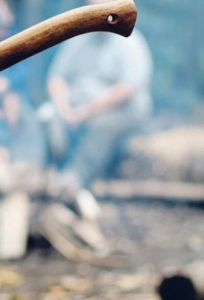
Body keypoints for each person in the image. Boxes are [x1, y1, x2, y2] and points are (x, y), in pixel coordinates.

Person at [44, 0, 153, 202]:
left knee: (101, 126)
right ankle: (41, 175)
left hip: (121, 111)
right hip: (75, 109)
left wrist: (86, 111)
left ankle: (73, 180)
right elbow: (56, 78)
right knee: (47, 116)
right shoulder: (77, 40)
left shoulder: (131, 41)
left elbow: (127, 89)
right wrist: (64, 109)